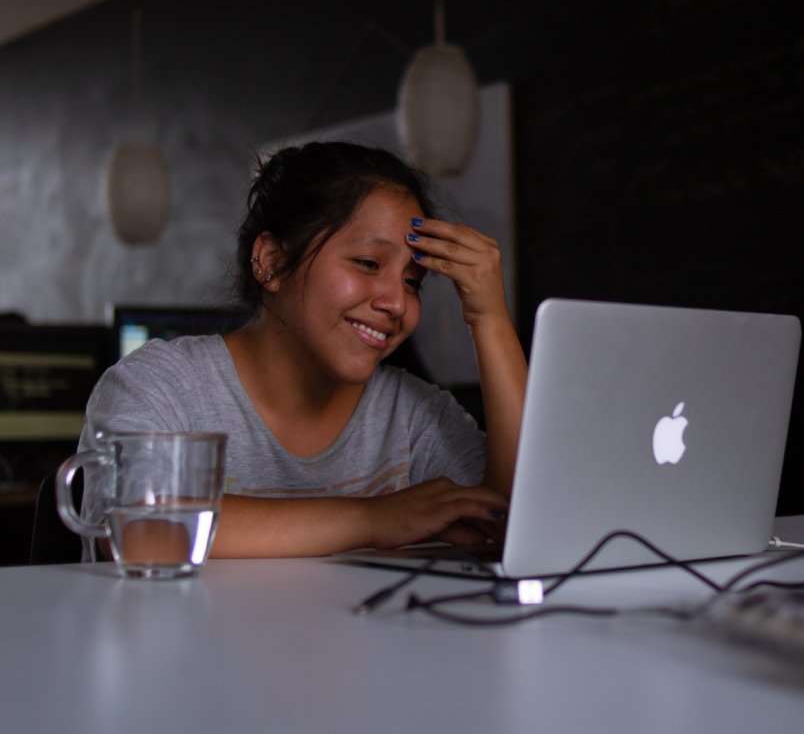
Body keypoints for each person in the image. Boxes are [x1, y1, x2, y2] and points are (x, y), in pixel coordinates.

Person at [81, 142, 527, 558]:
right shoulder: (160, 385)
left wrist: (489, 318)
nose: (397, 303)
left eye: (412, 282)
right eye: (368, 264)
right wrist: (372, 518)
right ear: (272, 262)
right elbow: (138, 533)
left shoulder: (412, 415)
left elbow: (517, 524)